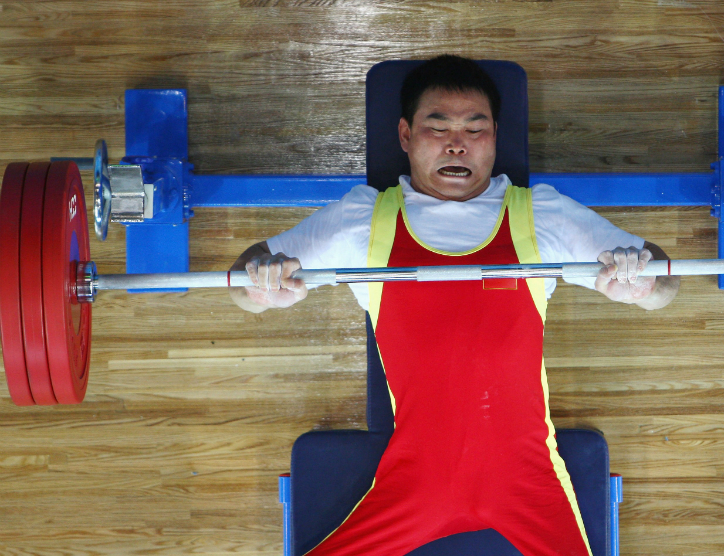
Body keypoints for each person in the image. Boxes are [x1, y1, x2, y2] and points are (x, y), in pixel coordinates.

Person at [230, 55, 679, 556]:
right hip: (418, 477)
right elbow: (244, 283)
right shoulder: (363, 220)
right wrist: (261, 283)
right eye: (437, 126)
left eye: (475, 127)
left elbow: (665, 284)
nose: (456, 143)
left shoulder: (539, 212)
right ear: (405, 135)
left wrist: (641, 283)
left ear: (494, 138)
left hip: (526, 474)